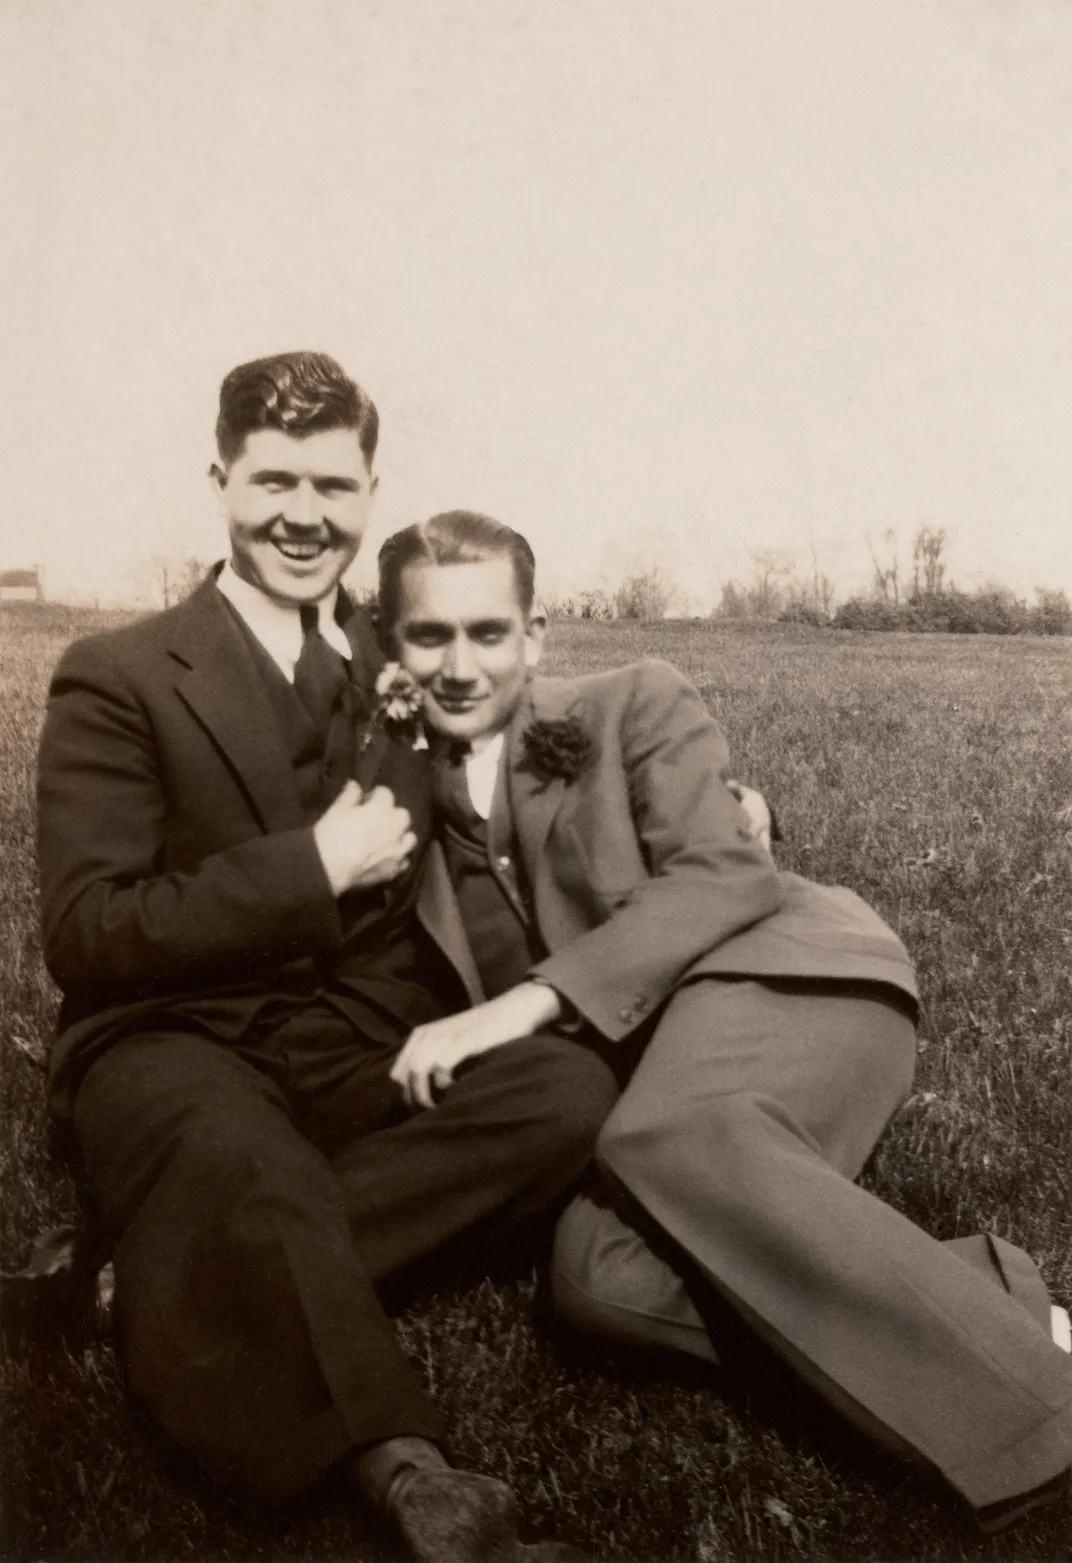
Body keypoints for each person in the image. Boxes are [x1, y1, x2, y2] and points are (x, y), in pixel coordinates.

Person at [374, 508, 1072, 1535]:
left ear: (535, 636)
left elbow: (724, 869)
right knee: (594, 1280)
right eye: (428, 635)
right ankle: (994, 1303)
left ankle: (1038, 1427)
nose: (461, 664)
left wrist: (522, 1007)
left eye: (488, 632)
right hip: (667, 1077)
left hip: (785, 974)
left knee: (666, 1131)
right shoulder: (387, 798)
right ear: (389, 648)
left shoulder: (629, 702)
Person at [35, 357, 618, 1563]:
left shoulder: (395, 651)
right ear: (220, 481)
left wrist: (723, 810)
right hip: (169, 1035)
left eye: (333, 485)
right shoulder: (123, 672)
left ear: (369, 491)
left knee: (566, 1094)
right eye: (273, 481)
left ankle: (156, 1275)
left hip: (358, 1033)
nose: (305, 514)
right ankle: (415, 1483)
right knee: (234, 1151)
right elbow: (88, 931)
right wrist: (306, 869)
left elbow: (535, 760)